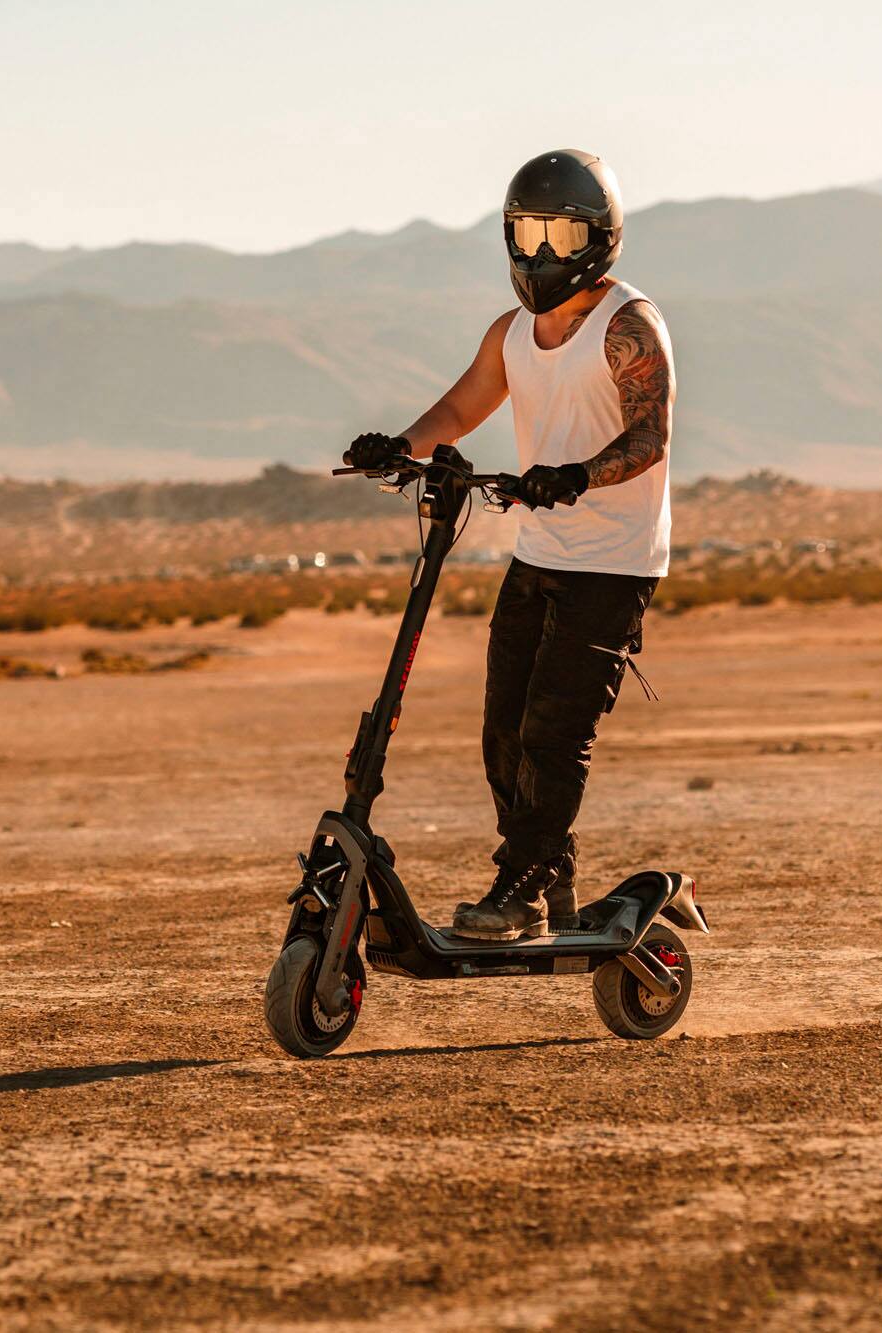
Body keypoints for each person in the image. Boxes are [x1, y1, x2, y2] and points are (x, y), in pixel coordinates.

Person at [343, 148, 674, 941]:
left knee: (554, 734)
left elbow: (650, 434)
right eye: (529, 234)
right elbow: (463, 407)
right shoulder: (513, 333)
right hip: (539, 552)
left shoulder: (627, 325)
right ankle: (543, 865)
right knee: (503, 732)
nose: (543, 252)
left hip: (613, 563)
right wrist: (401, 446)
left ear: (600, 236)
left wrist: (579, 475)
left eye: (561, 234)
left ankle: (520, 886)